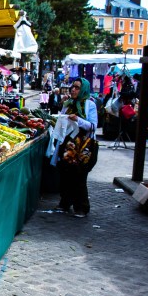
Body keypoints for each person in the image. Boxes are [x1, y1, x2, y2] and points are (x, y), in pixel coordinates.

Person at [54, 78, 98, 217]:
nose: (73, 89)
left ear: (83, 89)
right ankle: (65, 203)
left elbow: (93, 126)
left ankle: (81, 206)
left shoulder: (90, 105)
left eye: (77, 87)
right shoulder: (68, 104)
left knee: (79, 176)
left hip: (83, 147)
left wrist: (77, 120)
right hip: (67, 145)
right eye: (73, 87)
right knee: (65, 174)